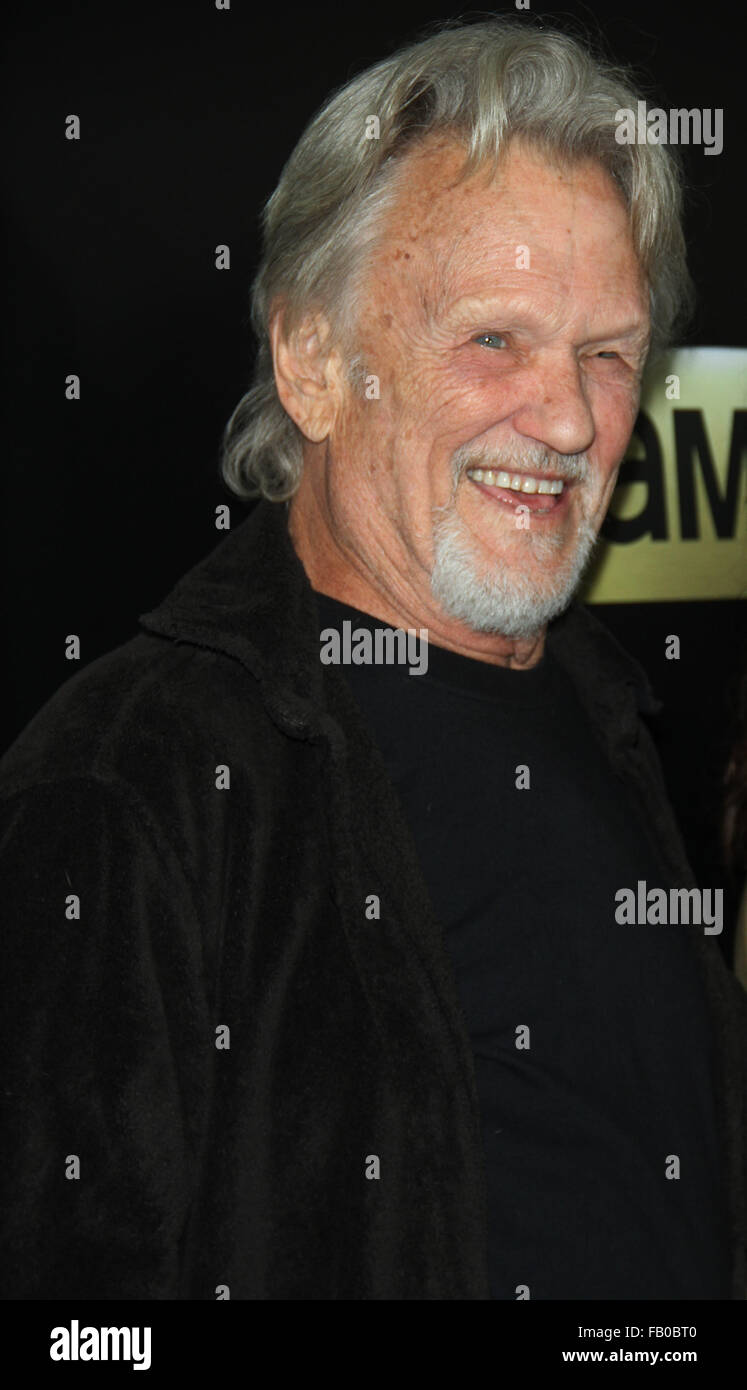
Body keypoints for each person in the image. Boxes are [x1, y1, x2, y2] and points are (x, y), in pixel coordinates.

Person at [1, 16, 745, 1301]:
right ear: (311, 361)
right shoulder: (130, 788)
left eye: (607, 354)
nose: (569, 419)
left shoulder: (616, 725)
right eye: (494, 339)